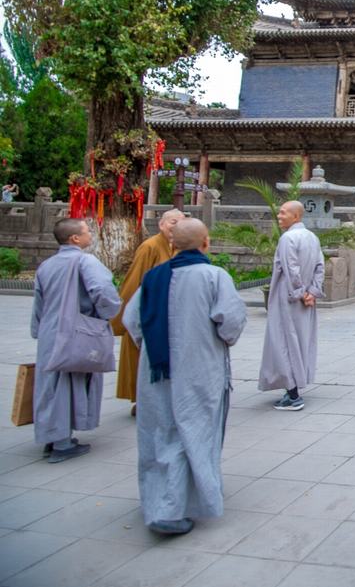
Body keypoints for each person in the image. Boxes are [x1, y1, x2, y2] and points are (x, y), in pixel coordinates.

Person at [124, 218, 246, 536]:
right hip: (200, 368)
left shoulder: (153, 278)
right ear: (206, 243)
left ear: (173, 244)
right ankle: (171, 508)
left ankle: (161, 499)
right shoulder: (214, 276)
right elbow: (230, 324)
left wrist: (154, 348)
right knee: (192, 431)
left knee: (162, 431)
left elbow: (131, 319)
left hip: (157, 370)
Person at [31, 218, 121, 462]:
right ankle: (61, 444)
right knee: (68, 384)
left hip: (51, 331)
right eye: (87, 230)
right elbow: (103, 290)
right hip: (76, 331)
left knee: (51, 384)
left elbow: (38, 302)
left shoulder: (46, 265)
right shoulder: (85, 260)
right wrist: (107, 314)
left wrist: (38, 329)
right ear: (75, 239)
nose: (90, 233)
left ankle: (52, 436)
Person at [112, 208, 185, 415]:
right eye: (172, 222)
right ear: (161, 224)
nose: (176, 226)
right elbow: (134, 281)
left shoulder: (180, 247)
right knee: (140, 357)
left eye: (180, 222)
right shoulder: (150, 247)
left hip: (169, 315)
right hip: (146, 313)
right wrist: (123, 318)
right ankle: (140, 401)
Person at [259, 201, 324, 411]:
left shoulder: (288, 238)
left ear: (296, 216)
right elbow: (320, 267)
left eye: (283, 212)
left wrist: (299, 293)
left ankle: (293, 394)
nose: (279, 215)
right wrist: (312, 292)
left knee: (285, 344)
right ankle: (293, 389)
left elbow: (291, 269)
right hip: (305, 300)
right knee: (300, 342)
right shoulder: (312, 238)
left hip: (288, 299)